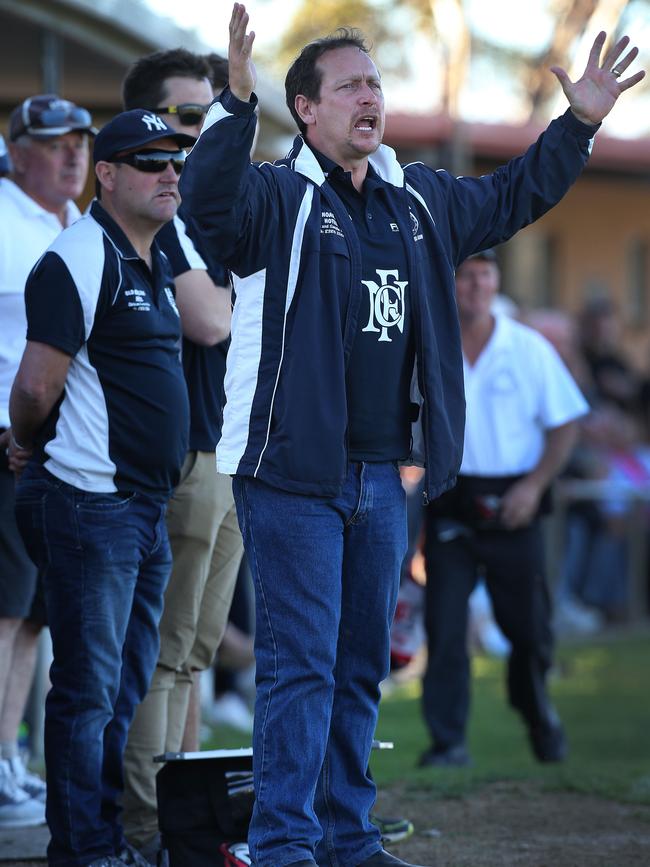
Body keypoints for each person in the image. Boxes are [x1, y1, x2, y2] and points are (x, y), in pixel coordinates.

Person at [179, 5, 643, 866]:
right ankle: (284, 845)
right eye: (351, 84)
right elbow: (209, 211)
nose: (371, 96)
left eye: (377, 84)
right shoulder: (277, 198)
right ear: (307, 109)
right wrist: (233, 107)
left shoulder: (420, 200)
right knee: (302, 666)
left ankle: (347, 838)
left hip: (382, 476)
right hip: (290, 475)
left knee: (363, 664)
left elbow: (512, 196)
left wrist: (578, 123)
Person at [8, 109, 194, 867]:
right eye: (150, 162)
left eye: (174, 161)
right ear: (109, 177)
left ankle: (105, 839)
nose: (169, 174)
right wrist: (24, 440)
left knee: (119, 690)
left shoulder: (150, 254)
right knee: (87, 695)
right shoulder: (81, 254)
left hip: (139, 511)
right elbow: (34, 385)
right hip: (91, 506)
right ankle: (83, 850)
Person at [120, 49, 244, 862]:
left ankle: (187, 829)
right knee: (166, 658)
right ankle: (143, 828)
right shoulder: (161, 218)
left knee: (195, 658)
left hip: (226, 452)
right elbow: (215, 320)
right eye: (187, 118)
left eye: (210, 118)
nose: (201, 135)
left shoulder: (205, 210)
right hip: (185, 457)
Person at [419, 249, 589, 768]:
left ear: (497, 282)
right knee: (445, 630)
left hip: (516, 498)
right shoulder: (431, 340)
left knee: (529, 630)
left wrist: (534, 487)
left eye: (484, 275)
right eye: (465, 275)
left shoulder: (528, 348)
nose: (474, 286)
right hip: (451, 496)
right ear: (450, 284)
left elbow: (565, 423)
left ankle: (538, 712)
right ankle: (448, 742)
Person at [0, 95, 95, 829]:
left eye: (81, 141)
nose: (72, 154)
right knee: (4, 613)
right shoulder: (2, 217)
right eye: (54, 142)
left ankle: (10, 760)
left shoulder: (76, 225)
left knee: (33, 616)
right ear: (17, 149)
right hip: (6, 441)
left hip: (54, 450)